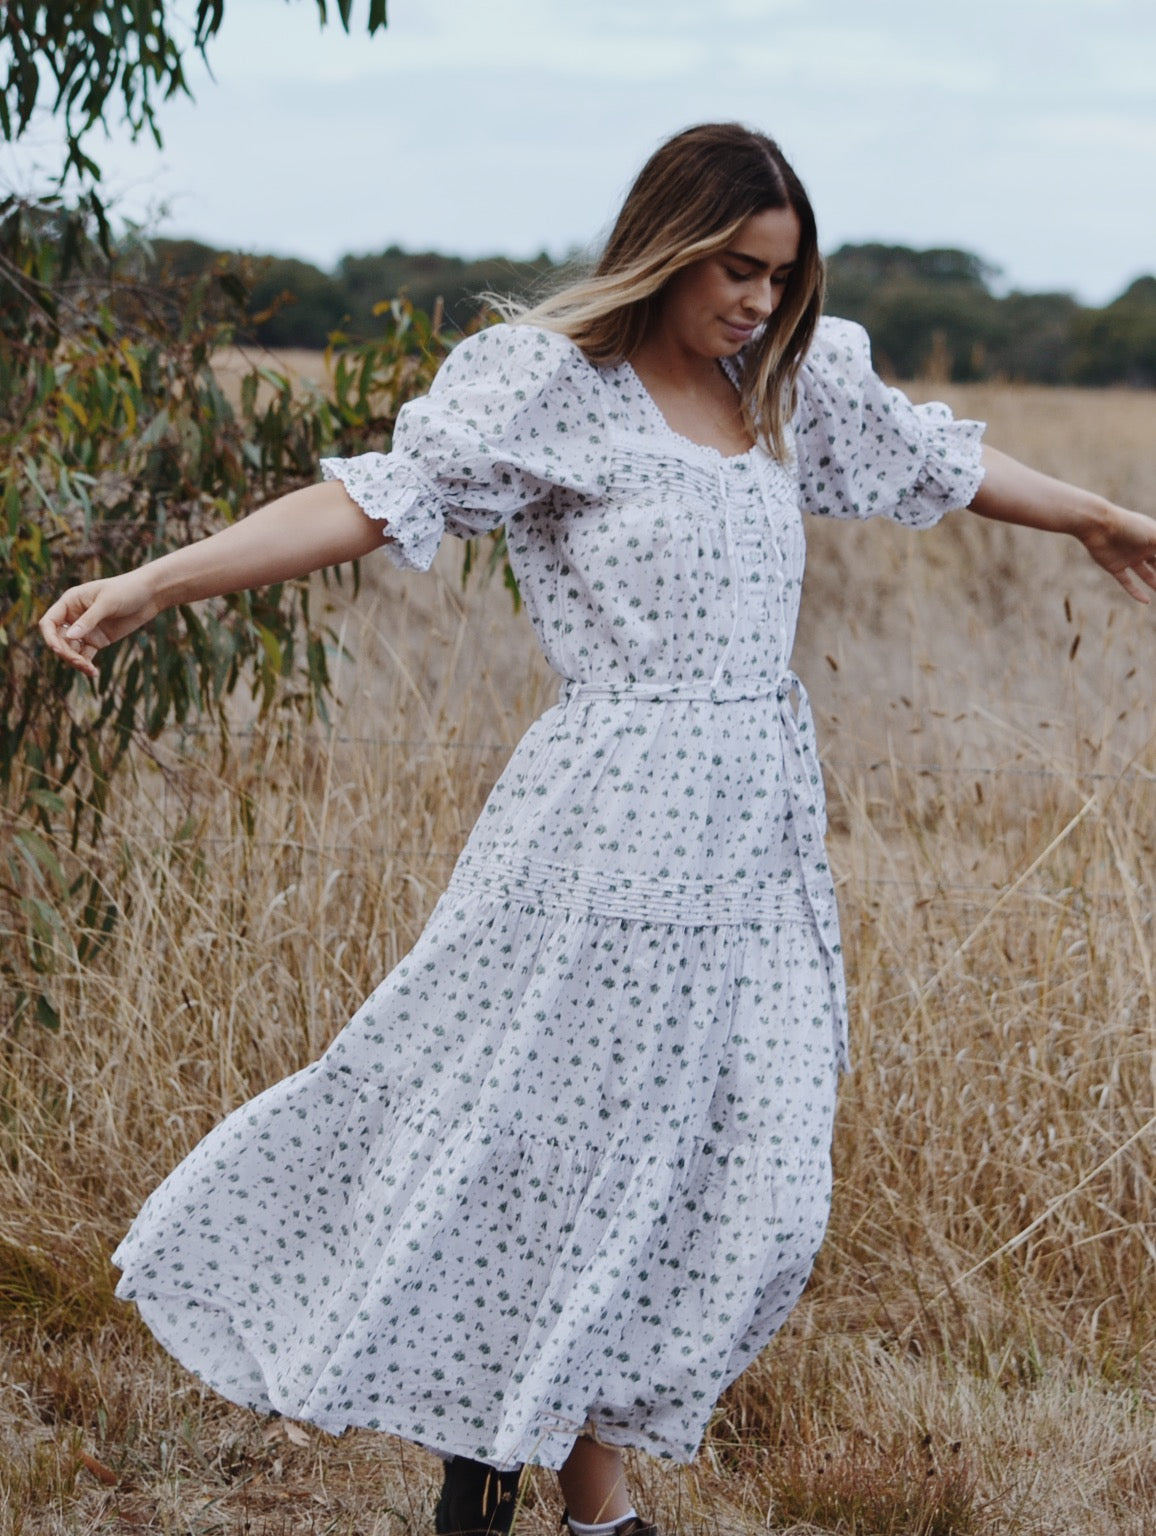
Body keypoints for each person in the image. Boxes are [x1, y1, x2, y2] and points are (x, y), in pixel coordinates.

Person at [39, 123, 1156, 1536]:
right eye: (735, 270)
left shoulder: (785, 391)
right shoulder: (562, 391)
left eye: (780, 275)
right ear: (670, 246)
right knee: (562, 1144)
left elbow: (931, 462)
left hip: (755, 830)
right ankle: (570, 1498)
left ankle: (543, 1455)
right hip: (612, 822)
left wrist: (1100, 516)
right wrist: (154, 582)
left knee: (752, 1177)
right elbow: (373, 501)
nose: (757, 300)